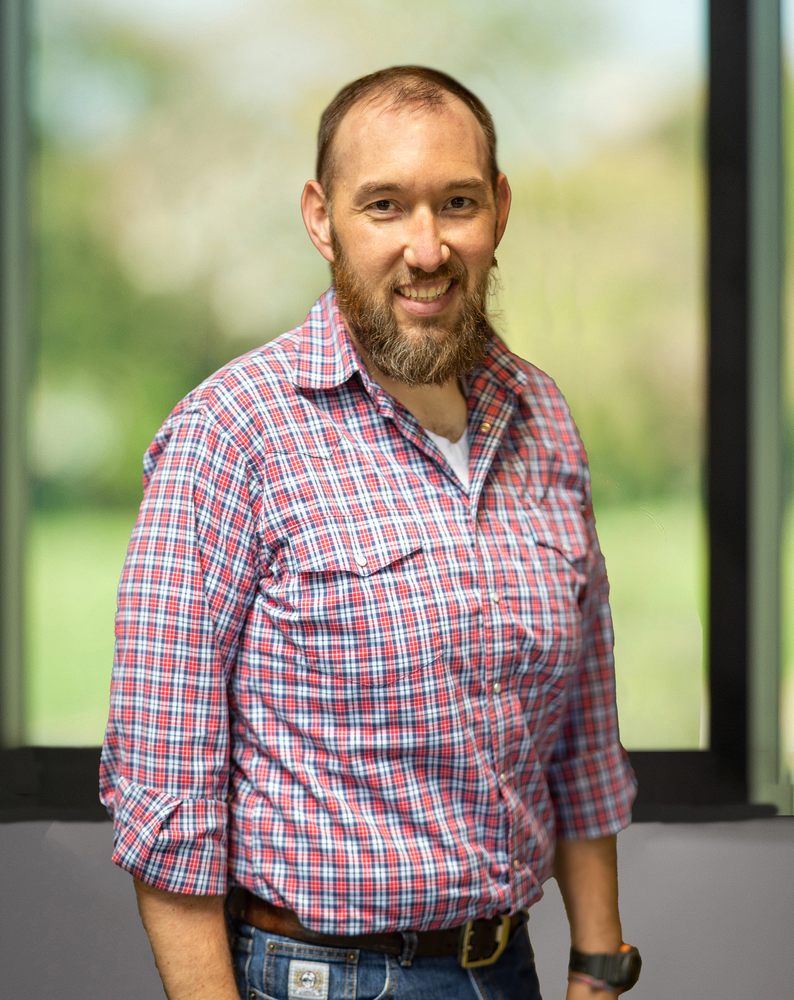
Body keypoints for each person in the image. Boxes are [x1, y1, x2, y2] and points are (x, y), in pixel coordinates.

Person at [100, 66, 639, 1000]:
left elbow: (581, 726)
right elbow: (167, 784)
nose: (426, 248)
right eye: (383, 206)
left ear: (498, 211)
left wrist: (597, 961)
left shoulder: (542, 415)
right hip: (314, 978)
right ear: (322, 218)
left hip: (508, 966)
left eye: (456, 203)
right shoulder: (231, 433)